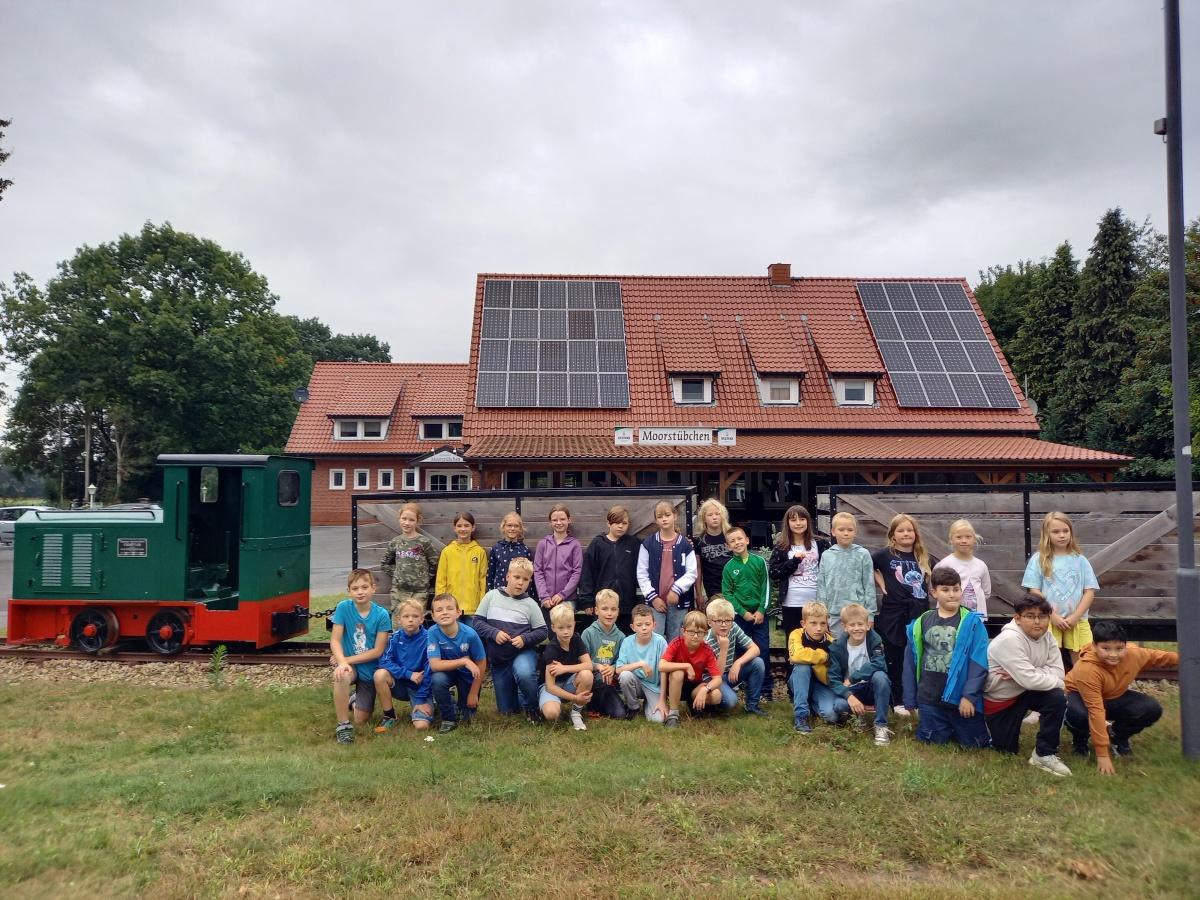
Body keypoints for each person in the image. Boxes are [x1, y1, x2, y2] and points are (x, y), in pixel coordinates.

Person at [1064, 620, 1179, 775]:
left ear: (1125, 646)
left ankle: (1117, 736)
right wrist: (1102, 754)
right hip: (1079, 696)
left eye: (1119, 649)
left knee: (1151, 708)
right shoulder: (1087, 669)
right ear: (1094, 646)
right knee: (1079, 716)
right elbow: (1096, 711)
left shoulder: (1134, 654)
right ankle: (1080, 739)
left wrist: (1186, 658)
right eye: (1106, 648)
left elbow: (1159, 657)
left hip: (1113, 696)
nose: (1113, 654)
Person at [902, 567, 990, 750]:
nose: (952, 595)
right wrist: (910, 698)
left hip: (960, 699)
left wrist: (969, 696)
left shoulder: (972, 623)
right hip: (929, 697)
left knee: (974, 745)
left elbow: (979, 664)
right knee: (932, 741)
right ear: (934, 592)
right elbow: (910, 662)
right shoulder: (922, 622)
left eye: (956, 589)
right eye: (946, 590)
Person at [984, 592, 1070, 775]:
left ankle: (1044, 754)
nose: (1037, 622)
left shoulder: (1048, 637)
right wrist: (1029, 675)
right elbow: (1030, 680)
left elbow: (1058, 675)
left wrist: (1025, 673)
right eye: (1030, 616)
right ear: (1018, 618)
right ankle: (985, 725)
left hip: (1026, 692)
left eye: (1042, 616)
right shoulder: (1009, 640)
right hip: (1001, 700)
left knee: (1056, 697)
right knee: (1005, 750)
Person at [874, 513, 938, 712]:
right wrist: (880, 582)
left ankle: (917, 699)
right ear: (893, 535)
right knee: (895, 656)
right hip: (893, 612)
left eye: (909, 530)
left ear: (916, 534)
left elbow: (932, 577)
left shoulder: (924, 557)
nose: (905, 534)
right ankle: (897, 700)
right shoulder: (884, 555)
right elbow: (868, 567)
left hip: (918, 612)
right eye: (900, 530)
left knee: (917, 654)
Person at [472, 557, 548, 722]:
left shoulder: (530, 604)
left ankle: (532, 708)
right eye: (517, 577)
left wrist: (524, 638)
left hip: (522, 652)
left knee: (524, 673)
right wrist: (494, 633)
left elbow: (543, 631)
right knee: (508, 712)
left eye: (525, 579)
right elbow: (477, 622)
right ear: (507, 576)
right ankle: (522, 694)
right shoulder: (491, 596)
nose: (520, 582)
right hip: (499, 659)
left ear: (530, 581)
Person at [1022, 511, 1098, 665]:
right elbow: (1034, 590)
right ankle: (1054, 688)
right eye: (1056, 532)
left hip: (1077, 620)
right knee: (1049, 660)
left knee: (1084, 660)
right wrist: (1052, 615)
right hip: (1048, 619)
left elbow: (1089, 591)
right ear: (1046, 534)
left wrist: (1075, 616)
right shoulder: (1039, 559)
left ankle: (1079, 687)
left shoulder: (1080, 560)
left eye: (1065, 531)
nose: (1062, 535)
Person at [329, 569, 392, 744]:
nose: (360, 592)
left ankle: (354, 700)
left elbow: (377, 651)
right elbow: (335, 640)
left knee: (361, 719)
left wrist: (345, 659)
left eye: (365, 587)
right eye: (355, 588)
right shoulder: (343, 607)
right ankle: (343, 725)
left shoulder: (382, 615)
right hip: (350, 667)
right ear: (349, 591)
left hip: (369, 669)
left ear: (373, 588)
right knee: (341, 676)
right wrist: (342, 663)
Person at [826, 603, 892, 745]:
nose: (857, 628)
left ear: (868, 625)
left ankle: (881, 725)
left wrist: (853, 677)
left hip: (870, 687)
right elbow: (833, 680)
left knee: (880, 676)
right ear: (845, 627)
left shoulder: (875, 640)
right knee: (839, 706)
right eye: (852, 625)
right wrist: (849, 696)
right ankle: (857, 716)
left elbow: (880, 663)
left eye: (860, 624)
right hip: (852, 690)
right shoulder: (837, 647)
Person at [720, 526, 774, 698]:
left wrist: (761, 610)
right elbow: (727, 593)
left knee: (763, 650)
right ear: (728, 546)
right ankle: (744, 682)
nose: (737, 543)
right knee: (743, 650)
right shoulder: (729, 567)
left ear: (747, 540)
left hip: (759, 616)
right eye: (732, 541)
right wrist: (742, 612)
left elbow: (766, 587)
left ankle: (765, 688)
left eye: (739, 539)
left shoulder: (759, 562)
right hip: (740, 617)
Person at [426, 592, 488, 734]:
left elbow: (482, 663)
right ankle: (448, 718)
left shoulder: (470, 634)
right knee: (437, 679)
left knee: (468, 718)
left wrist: (473, 693)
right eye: (439, 610)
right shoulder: (432, 633)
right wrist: (463, 661)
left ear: (458, 612)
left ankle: (460, 705)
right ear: (433, 616)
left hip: (468, 676)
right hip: (447, 673)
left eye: (449, 608)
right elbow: (434, 665)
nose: (445, 612)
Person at [636, 500, 698, 640]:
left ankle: (673, 663)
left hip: (679, 601)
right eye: (660, 516)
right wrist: (653, 597)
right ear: (655, 520)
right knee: (654, 639)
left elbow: (692, 572)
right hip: (656, 601)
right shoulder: (648, 544)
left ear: (675, 516)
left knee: (676, 640)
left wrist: (677, 589)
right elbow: (641, 573)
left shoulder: (684, 544)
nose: (664, 519)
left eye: (667, 515)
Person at [768, 504, 829, 645]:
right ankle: (793, 668)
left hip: (817, 600)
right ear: (787, 523)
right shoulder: (782, 546)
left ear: (808, 521)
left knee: (819, 641)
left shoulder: (821, 544)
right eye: (793, 520)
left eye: (802, 519)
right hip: (792, 601)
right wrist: (794, 561)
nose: (798, 523)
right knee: (793, 641)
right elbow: (774, 572)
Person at [373, 597, 435, 733]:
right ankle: (389, 716)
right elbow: (384, 661)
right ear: (399, 619)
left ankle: (435, 702)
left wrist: (420, 699)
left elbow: (430, 670)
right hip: (400, 685)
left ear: (422, 619)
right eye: (406, 616)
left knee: (421, 726)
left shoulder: (429, 639)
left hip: (420, 688)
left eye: (415, 616)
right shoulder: (395, 638)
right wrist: (408, 674)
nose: (410, 619)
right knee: (380, 675)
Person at [380, 501, 442, 627]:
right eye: (404, 519)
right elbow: (384, 564)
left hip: (419, 592)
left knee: (415, 624)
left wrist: (424, 576)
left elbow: (435, 563)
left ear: (417, 521)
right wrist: (398, 574)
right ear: (399, 519)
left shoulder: (424, 542)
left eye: (411, 520)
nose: (407, 523)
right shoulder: (395, 542)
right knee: (398, 625)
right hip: (399, 591)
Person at [815, 511, 874, 641]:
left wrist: (870, 616)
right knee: (836, 650)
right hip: (834, 614)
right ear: (833, 531)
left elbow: (869, 585)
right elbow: (822, 586)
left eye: (850, 529)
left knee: (858, 650)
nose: (846, 533)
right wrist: (823, 615)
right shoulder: (827, 555)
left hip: (857, 614)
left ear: (855, 532)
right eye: (841, 529)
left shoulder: (863, 554)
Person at [578, 505, 641, 626]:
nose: (620, 526)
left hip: (626, 605)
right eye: (616, 523)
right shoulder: (597, 544)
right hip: (603, 605)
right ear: (608, 523)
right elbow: (587, 574)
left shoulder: (633, 543)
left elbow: (653, 549)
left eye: (624, 523)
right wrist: (587, 602)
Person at [703, 596, 766, 716]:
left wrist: (738, 663)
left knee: (757, 662)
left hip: (728, 673)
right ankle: (713, 706)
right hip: (713, 680)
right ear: (710, 622)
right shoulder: (706, 642)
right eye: (719, 621)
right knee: (731, 701)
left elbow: (755, 649)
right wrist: (724, 649)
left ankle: (752, 706)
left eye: (727, 620)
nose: (724, 625)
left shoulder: (733, 628)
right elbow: (717, 676)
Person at [659, 610, 723, 728]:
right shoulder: (676, 643)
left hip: (694, 686)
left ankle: (695, 706)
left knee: (717, 695)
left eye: (699, 632)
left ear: (705, 633)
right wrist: (686, 666)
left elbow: (718, 679)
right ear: (683, 631)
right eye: (691, 632)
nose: (695, 636)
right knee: (677, 673)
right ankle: (673, 714)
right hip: (674, 685)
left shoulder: (707, 650)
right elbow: (662, 665)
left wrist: (705, 689)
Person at [788, 601, 842, 734]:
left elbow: (832, 677)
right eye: (813, 623)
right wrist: (823, 656)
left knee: (831, 716)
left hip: (821, 684)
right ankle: (801, 716)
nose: (818, 628)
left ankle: (811, 705)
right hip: (799, 680)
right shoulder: (796, 634)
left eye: (822, 624)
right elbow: (796, 656)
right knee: (802, 666)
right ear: (803, 623)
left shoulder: (832, 643)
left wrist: (811, 658)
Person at [538, 604, 595, 730]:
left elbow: (589, 665)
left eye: (569, 627)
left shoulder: (576, 639)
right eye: (561, 627)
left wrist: (564, 668)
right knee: (552, 714)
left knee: (586, 674)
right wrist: (575, 698)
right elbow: (550, 686)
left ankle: (576, 713)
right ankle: (544, 704)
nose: (566, 631)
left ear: (574, 624)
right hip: (551, 687)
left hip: (569, 682)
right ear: (553, 627)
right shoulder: (551, 650)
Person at [614, 603, 670, 723]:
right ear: (632, 627)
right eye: (639, 625)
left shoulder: (661, 642)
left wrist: (662, 700)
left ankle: (649, 704)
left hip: (654, 687)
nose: (644, 628)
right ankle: (633, 707)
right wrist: (640, 664)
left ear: (654, 625)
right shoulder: (627, 642)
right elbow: (618, 669)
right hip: (636, 683)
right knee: (625, 676)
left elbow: (664, 671)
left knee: (659, 720)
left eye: (647, 624)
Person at [579, 588, 628, 718]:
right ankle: (592, 707)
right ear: (596, 610)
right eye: (605, 609)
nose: (609, 613)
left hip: (610, 679)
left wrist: (613, 668)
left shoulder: (621, 637)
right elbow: (583, 662)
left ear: (618, 611)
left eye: (613, 609)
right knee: (600, 678)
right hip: (593, 678)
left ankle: (605, 705)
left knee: (620, 715)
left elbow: (621, 661)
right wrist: (598, 667)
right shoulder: (588, 633)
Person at [435, 511, 488, 618]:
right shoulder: (447, 551)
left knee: (471, 634)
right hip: (451, 608)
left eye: (466, 525)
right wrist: (441, 604)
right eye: (459, 526)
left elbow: (483, 580)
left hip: (473, 608)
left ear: (473, 528)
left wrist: (482, 604)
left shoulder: (479, 552)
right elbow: (441, 580)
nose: (463, 529)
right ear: (454, 528)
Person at [534, 503, 583, 615]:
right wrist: (544, 596)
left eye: (562, 519)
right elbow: (538, 571)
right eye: (555, 520)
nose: (559, 523)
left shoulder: (574, 545)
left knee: (563, 627)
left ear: (569, 520)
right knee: (548, 631)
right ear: (550, 522)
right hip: (546, 599)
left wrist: (562, 594)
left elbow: (577, 572)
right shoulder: (543, 544)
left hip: (567, 599)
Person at [939, 519, 991, 620]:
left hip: (976, 619)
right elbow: (937, 590)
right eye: (959, 537)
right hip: (951, 619)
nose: (964, 541)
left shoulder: (981, 565)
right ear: (951, 540)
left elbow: (986, 592)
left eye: (968, 537)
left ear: (974, 539)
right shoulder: (945, 564)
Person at [692, 498, 733, 609]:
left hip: (733, 589)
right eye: (710, 515)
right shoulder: (699, 541)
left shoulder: (731, 536)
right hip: (712, 591)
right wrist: (699, 594)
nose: (714, 517)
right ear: (704, 518)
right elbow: (698, 568)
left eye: (717, 514)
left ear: (722, 516)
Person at [487, 511, 536, 599]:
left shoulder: (525, 550)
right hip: (499, 594)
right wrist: (490, 594)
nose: (512, 528)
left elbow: (530, 575)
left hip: (519, 595)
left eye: (516, 526)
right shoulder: (496, 549)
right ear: (503, 527)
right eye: (509, 525)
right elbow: (491, 574)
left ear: (520, 529)